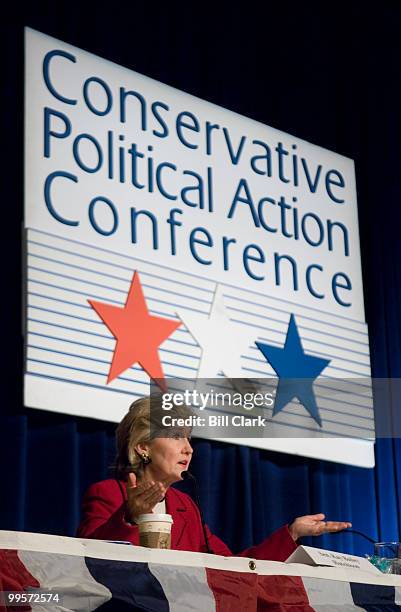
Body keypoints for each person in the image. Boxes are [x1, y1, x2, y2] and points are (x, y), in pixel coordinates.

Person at [77, 396, 351, 560]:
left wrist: (291, 533)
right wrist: (130, 517)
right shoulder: (108, 493)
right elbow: (87, 558)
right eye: (175, 436)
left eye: (188, 437)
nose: (188, 448)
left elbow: (231, 565)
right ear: (143, 446)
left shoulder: (187, 507)